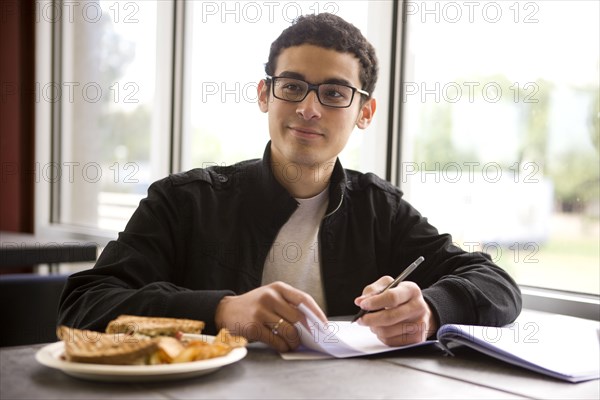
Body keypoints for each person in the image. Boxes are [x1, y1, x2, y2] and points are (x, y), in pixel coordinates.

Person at [58, 13, 521, 353]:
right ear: (266, 95)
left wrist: (432, 308)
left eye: (335, 93)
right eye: (293, 86)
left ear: (365, 113)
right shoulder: (184, 202)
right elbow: (85, 303)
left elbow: (497, 284)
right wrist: (222, 311)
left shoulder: (380, 210)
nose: (309, 109)